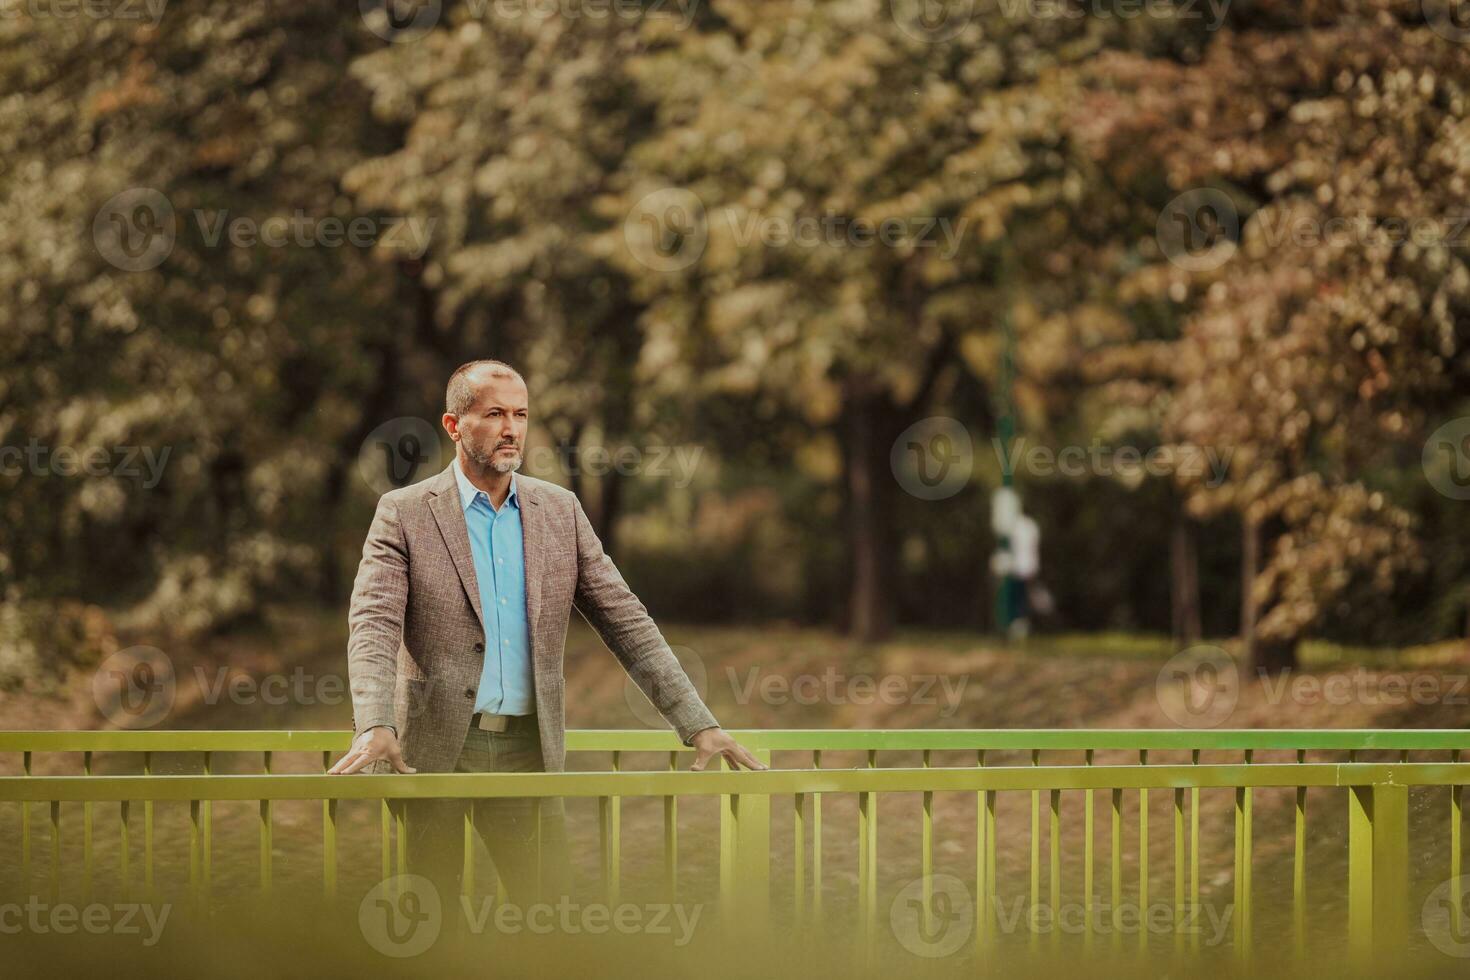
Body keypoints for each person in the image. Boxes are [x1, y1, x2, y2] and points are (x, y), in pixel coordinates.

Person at [329, 359, 764, 902]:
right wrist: (375, 722)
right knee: (429, 923)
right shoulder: (404, 512)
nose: (512, 429)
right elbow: (372, 624)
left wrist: (698, 723)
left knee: (548, 919)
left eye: (521, 414)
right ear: (453, 425)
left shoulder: (560, 510)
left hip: (528, 751)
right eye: (494, 414)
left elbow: (628, 623)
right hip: (433, 751)